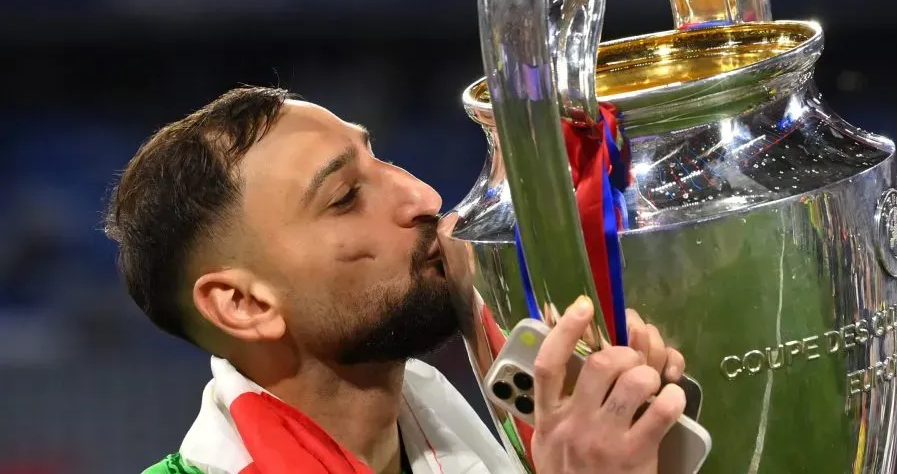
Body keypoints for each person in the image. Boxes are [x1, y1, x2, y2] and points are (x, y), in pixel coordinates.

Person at [104, 87, 689, 474]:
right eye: (346, 198)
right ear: (242, 303)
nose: (423, 197)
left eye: (377, 157)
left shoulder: (448, 429)